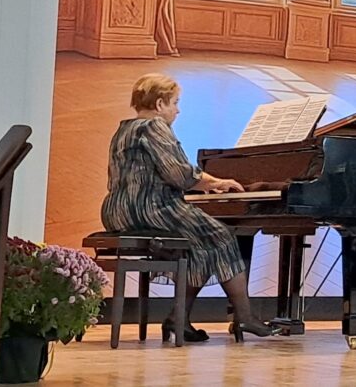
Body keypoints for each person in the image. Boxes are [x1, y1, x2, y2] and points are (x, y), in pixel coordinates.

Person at [101, 73, 279, 343]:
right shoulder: (154, 126)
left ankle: (179, 319)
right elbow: (179, 174)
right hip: (150, 207)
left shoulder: (124, 129)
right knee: (222, 236)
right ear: (160, 104)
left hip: (117, 210)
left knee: (203, 247)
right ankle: (244, 316)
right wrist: (217, 183)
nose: (178, 110)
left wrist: (203, 184)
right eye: (175, 103)